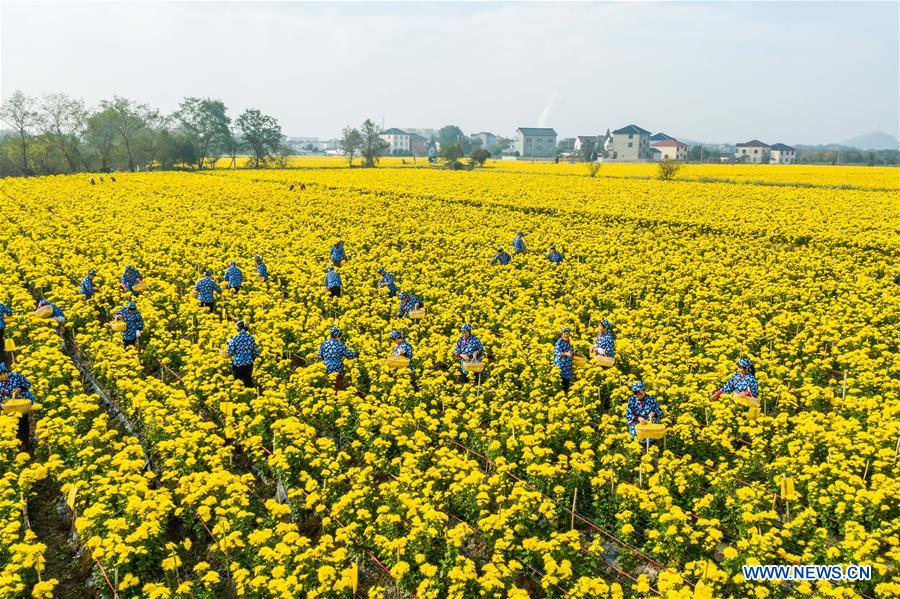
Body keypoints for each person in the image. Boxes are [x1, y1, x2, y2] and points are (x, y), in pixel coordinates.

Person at [0, 363, 36, 449]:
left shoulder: (15, 376)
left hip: (21, 403)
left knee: (22, 421)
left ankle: (24, 442)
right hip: (6, 405)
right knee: (10, 424)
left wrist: (19, 389)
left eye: (3, 374)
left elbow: (27, 384)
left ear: (6, 372)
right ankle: (12, 444)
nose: (2, 377)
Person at [227, 320, 259, 387]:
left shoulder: (235, 338)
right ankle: (251, 394)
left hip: (237, 364)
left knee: (238, 383)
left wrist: (229, 342)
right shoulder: (251, 337)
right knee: (248, 381)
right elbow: (256, 352)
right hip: (249, 364)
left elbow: (230, 352)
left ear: (237, 329)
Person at [554, 327, 575, 394]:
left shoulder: (569, 342)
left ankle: (565, 395)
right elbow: (557, 353)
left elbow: (571, 352)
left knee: (566, 383)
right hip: (561, 366)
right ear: (562, 334)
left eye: (567, 334)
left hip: (567, 367)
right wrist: (565, 353)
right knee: (561, 382)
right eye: (564, 334)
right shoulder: (559, 342)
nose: (566, 335)